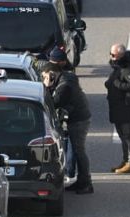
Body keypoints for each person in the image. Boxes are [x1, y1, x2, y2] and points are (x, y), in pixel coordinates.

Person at [41, 62, 93, 194]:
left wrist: (47, 87)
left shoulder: (64, 86)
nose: (44, 79)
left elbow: (53, 103)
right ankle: (81, 181)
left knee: (79, 151)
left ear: (52, 75)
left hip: (78, 120)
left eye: (45, 76)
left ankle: (86, 182)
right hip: (78, 118)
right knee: (77, 150)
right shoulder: (65, 79)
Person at [104, 43, 130, 174]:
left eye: (113, 55)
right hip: (117, 107)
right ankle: (125, 161)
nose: (111, 57)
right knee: (122, 137)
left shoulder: (127, 68)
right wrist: (109, 84)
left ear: (120, 56)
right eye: (111, 54)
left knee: (128, 136)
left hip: (125, 108)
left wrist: (116, 84)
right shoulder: (118, 67)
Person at [49, 46, 77, 183]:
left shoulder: (65, 78)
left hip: (68, 115)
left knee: (69, 144)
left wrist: (47, 86)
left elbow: (56, 101)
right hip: (67, 114)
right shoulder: (65, 73)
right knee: (66, 143)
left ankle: (69, 173)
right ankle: (68, 172)